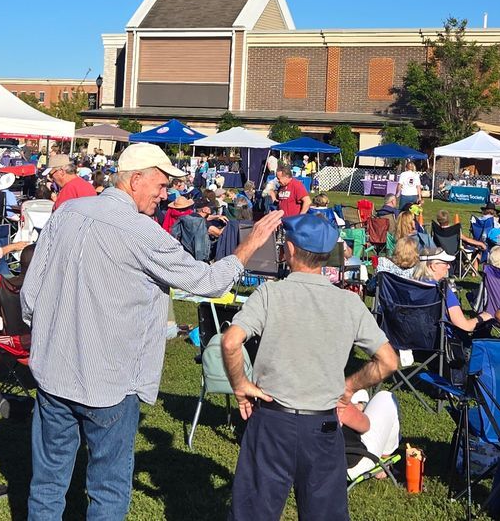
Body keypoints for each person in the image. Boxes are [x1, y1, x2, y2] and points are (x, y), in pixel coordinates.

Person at [21, 142, 282, 521]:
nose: (165, 195)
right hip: (109, 383)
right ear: (135, 180)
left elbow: (31, 295)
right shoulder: (141, 231)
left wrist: (49, 338)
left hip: (53, 373)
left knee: (47, 485)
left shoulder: (66, 213)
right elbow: (207, 281)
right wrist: (249, 246)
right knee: (107, 489)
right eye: (161, 185)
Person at [223, 211, 398, 521]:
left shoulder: (270, 293)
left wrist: (240, 385)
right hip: (323, 425)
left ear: (289, 249)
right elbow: (388, 361)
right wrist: (349, 387)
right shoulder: (349, 303)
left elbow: (230, 342)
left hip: (272, 420)